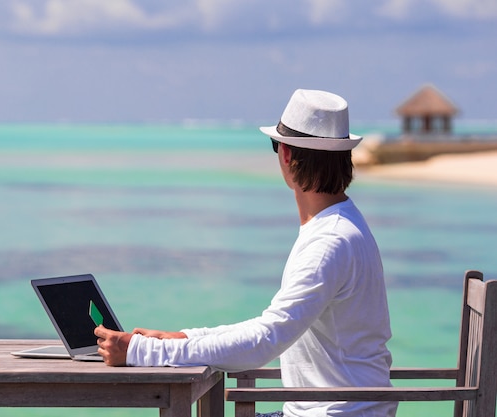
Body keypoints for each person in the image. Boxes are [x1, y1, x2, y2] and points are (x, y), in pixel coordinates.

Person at [95, 89, 398, 417]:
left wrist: (142, 351)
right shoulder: (342, 224)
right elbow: (269, 327)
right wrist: (179, 339)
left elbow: (264, 340)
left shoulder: (329, 242)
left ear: (285, 154)